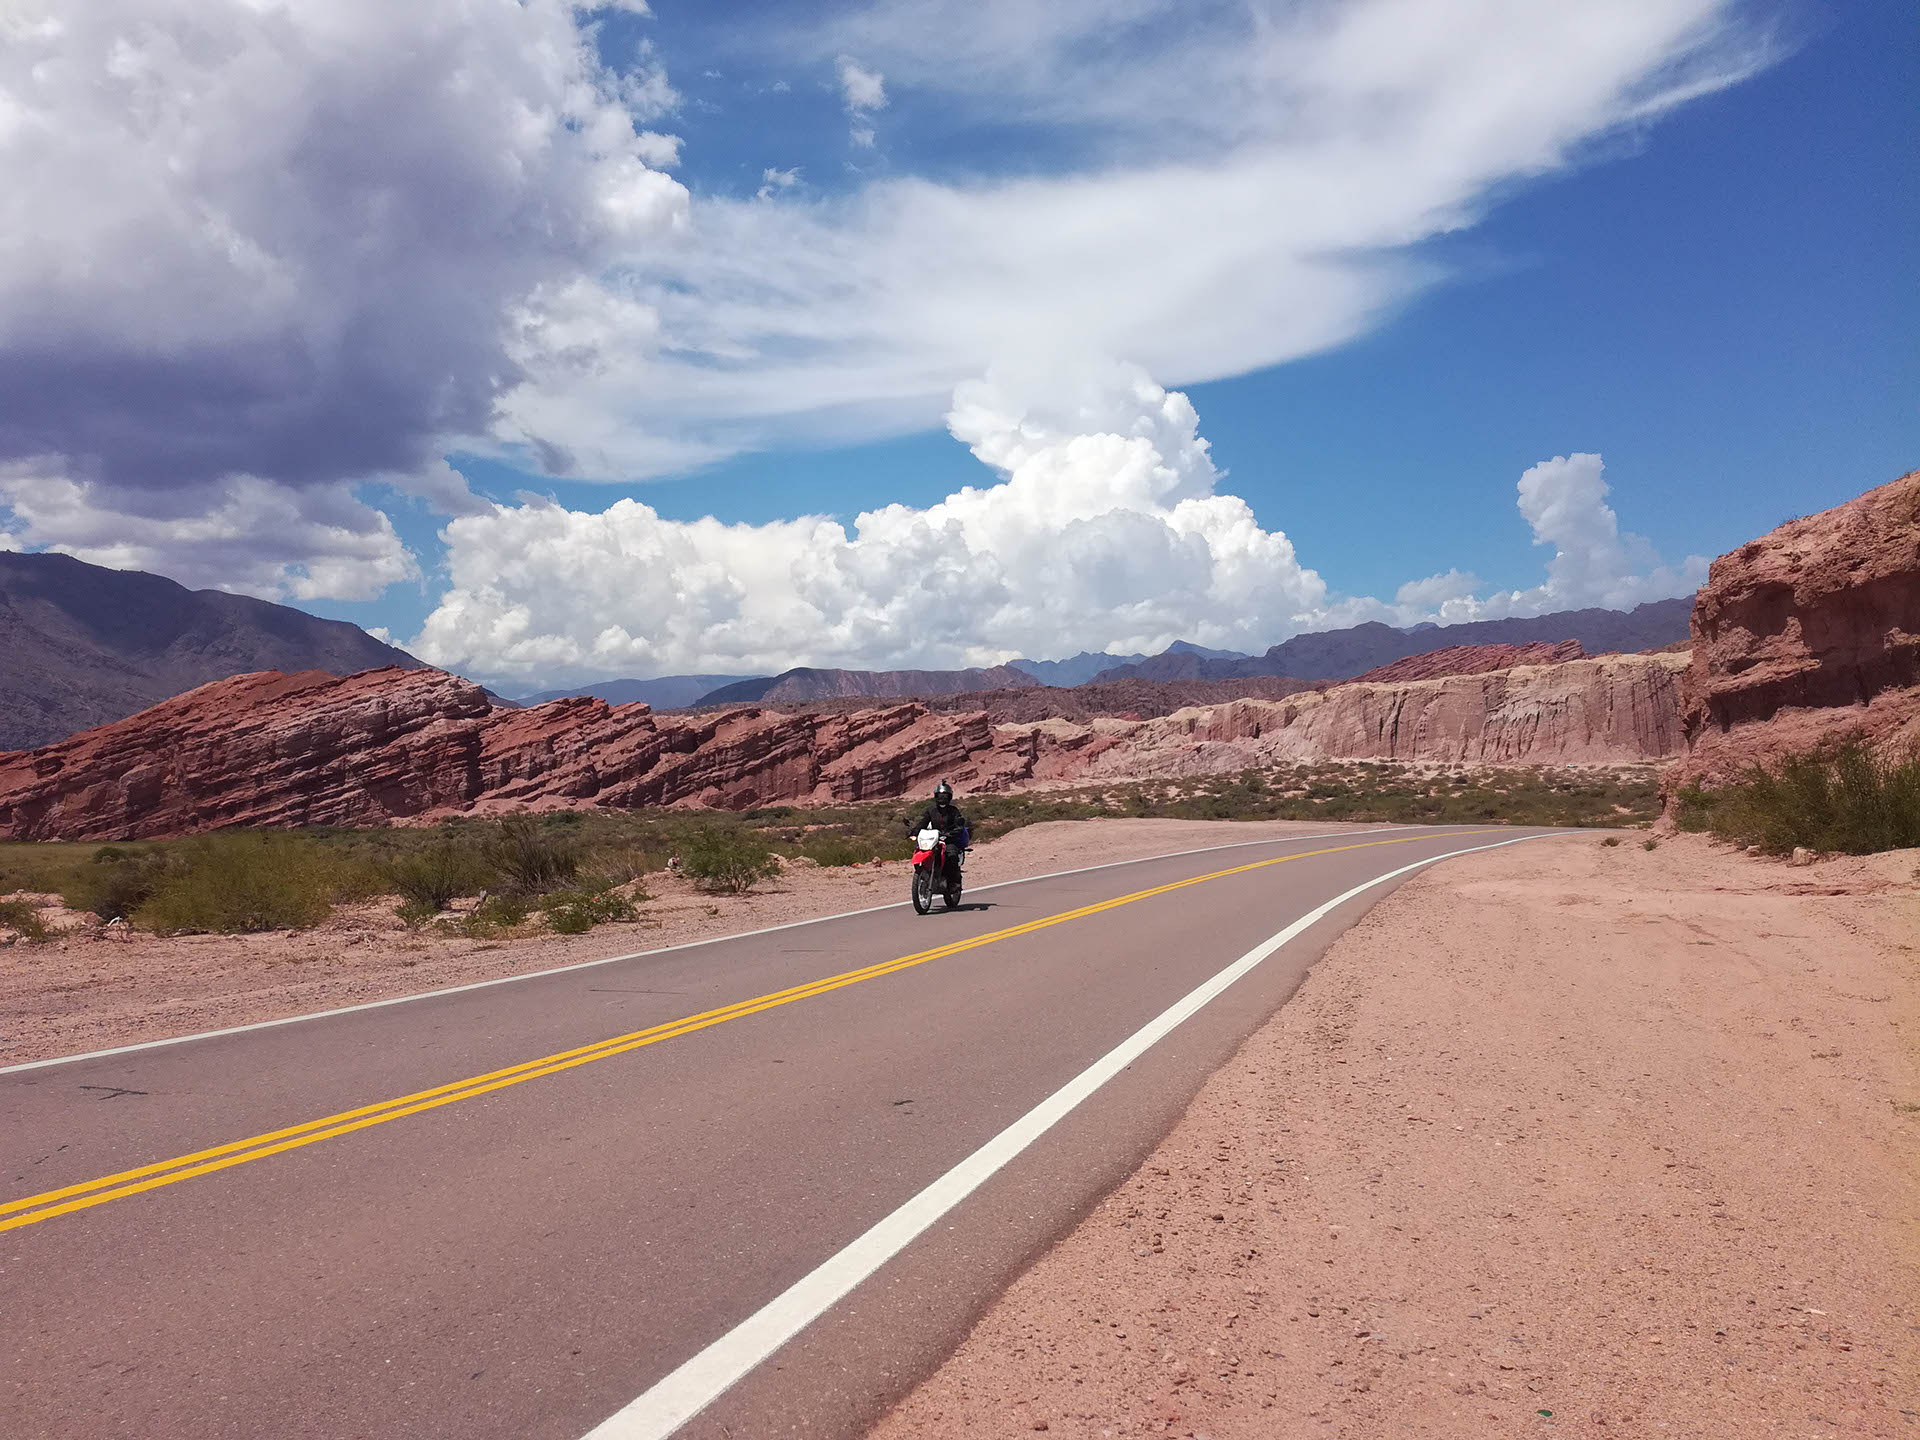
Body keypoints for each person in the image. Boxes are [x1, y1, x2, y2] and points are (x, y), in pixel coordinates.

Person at [906, 779, 970, 882]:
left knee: (952, 855)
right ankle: (925, 875)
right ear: (936, 796)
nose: (942, 798)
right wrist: (915, 831)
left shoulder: (953, 811)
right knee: (920, 850)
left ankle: (953, 883)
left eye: (945, 796)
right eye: (940, 796)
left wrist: (951, 834)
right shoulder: (931, 810)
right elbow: (923, 822)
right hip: (933, 839)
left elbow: (959, 825)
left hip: (948, 839)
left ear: (949, 797)